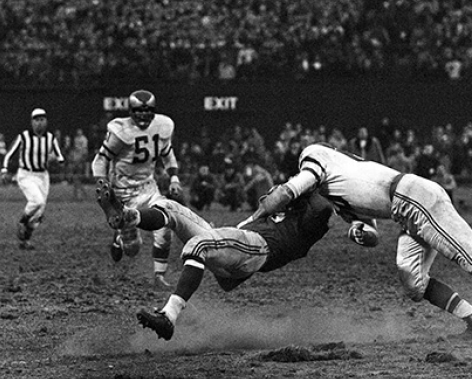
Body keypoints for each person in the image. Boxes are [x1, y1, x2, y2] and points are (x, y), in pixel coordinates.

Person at [245, 142, 472, 338]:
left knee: (467, 256)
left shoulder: (316, 157)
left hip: (415, 197)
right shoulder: (336, 189)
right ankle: (470, 317)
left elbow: (287, 192)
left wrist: (254, 217)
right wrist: (359, 233)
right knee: (414, 283)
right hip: (405, 212)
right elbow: (372, 234)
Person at [95, 179, 333, 340]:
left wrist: (311, 182)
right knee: (169, 207)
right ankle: (129, 216)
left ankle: (168, 316)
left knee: (200, 245)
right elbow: (278, 196)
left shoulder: (315, 217)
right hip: (241, 244)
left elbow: (321, 206)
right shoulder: (292, 208)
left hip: (259, 248)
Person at [91, 89, 183, 289]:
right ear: (131, 111)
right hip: (124, 192)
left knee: (165, 226)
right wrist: (101, 181)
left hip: (149, 187)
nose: (143, 114)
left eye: (147, 110)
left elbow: (167, 153)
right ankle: (119, 239)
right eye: (138, 110)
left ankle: (159, 276)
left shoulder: (163, 125)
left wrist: (174, 177)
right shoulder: (120, 131)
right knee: (133, 249)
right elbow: (101, 159)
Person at [1, 108, 65, 250]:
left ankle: (25, 241)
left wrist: (56, 160)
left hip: (43, 176)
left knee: (39, 211)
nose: (39, 123)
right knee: (37, 201)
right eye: (36, 120)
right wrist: (4, 169)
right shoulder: (23, 137)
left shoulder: (51, 138)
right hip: (26, 174)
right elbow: (9, 153)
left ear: (46, 121)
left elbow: (60, 157)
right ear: (31, 122)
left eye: (42, 120)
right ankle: (22, 221)